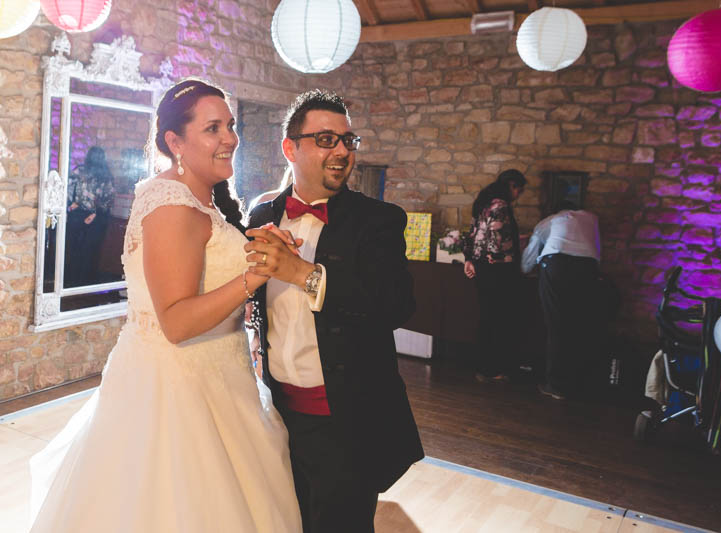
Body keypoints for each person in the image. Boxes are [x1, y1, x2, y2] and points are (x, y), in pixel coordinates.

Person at [28, 79, 302, 533]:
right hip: (180, 388)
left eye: (230, 126)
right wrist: (255, 276)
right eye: (213, 128)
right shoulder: (172, 204)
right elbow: (175, 322)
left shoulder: (200, 197)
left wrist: (259, 250)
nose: (230, 138)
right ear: (175, 141)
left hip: (217, 375)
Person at [246, 89, 424, 533]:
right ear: (290, 147)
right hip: (276, 414)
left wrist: (304, 273)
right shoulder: (262, 213)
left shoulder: (379, 220)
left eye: (348, 140)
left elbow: (396, 305)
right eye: (326, 139)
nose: (342, 150)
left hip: (347, 420)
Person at [521, 202, 602, 400]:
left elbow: (528, 260)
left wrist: (524, 270)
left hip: (557, 265)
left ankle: (556, 385)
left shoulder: (547, 222)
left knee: (556, 324)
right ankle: (578, 382)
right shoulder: (592, 218)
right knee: (579, 324)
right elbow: (597, 250)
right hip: (587, 267)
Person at [462, 169, 527, 383]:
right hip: (496, 269)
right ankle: (491, 369)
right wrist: (504, 254)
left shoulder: (484, 202)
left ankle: (484, 367)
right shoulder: (500, 205)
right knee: (497, 319)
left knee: (487, 317)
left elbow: (473, 233)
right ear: (510, 185)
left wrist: (469, 259)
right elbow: (497, 238)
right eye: (519, 189)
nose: (519, 194)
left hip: (482, 267)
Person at [64, 146, 115, 287]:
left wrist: (72, 204)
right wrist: (95, 212)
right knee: (91, 252)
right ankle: (86, 285)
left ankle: (70, 284)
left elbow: (67, 190)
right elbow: (109, 199)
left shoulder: (79, 171)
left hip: (78, 214)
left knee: (74, 249)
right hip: (98, 217)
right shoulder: (107, 176)